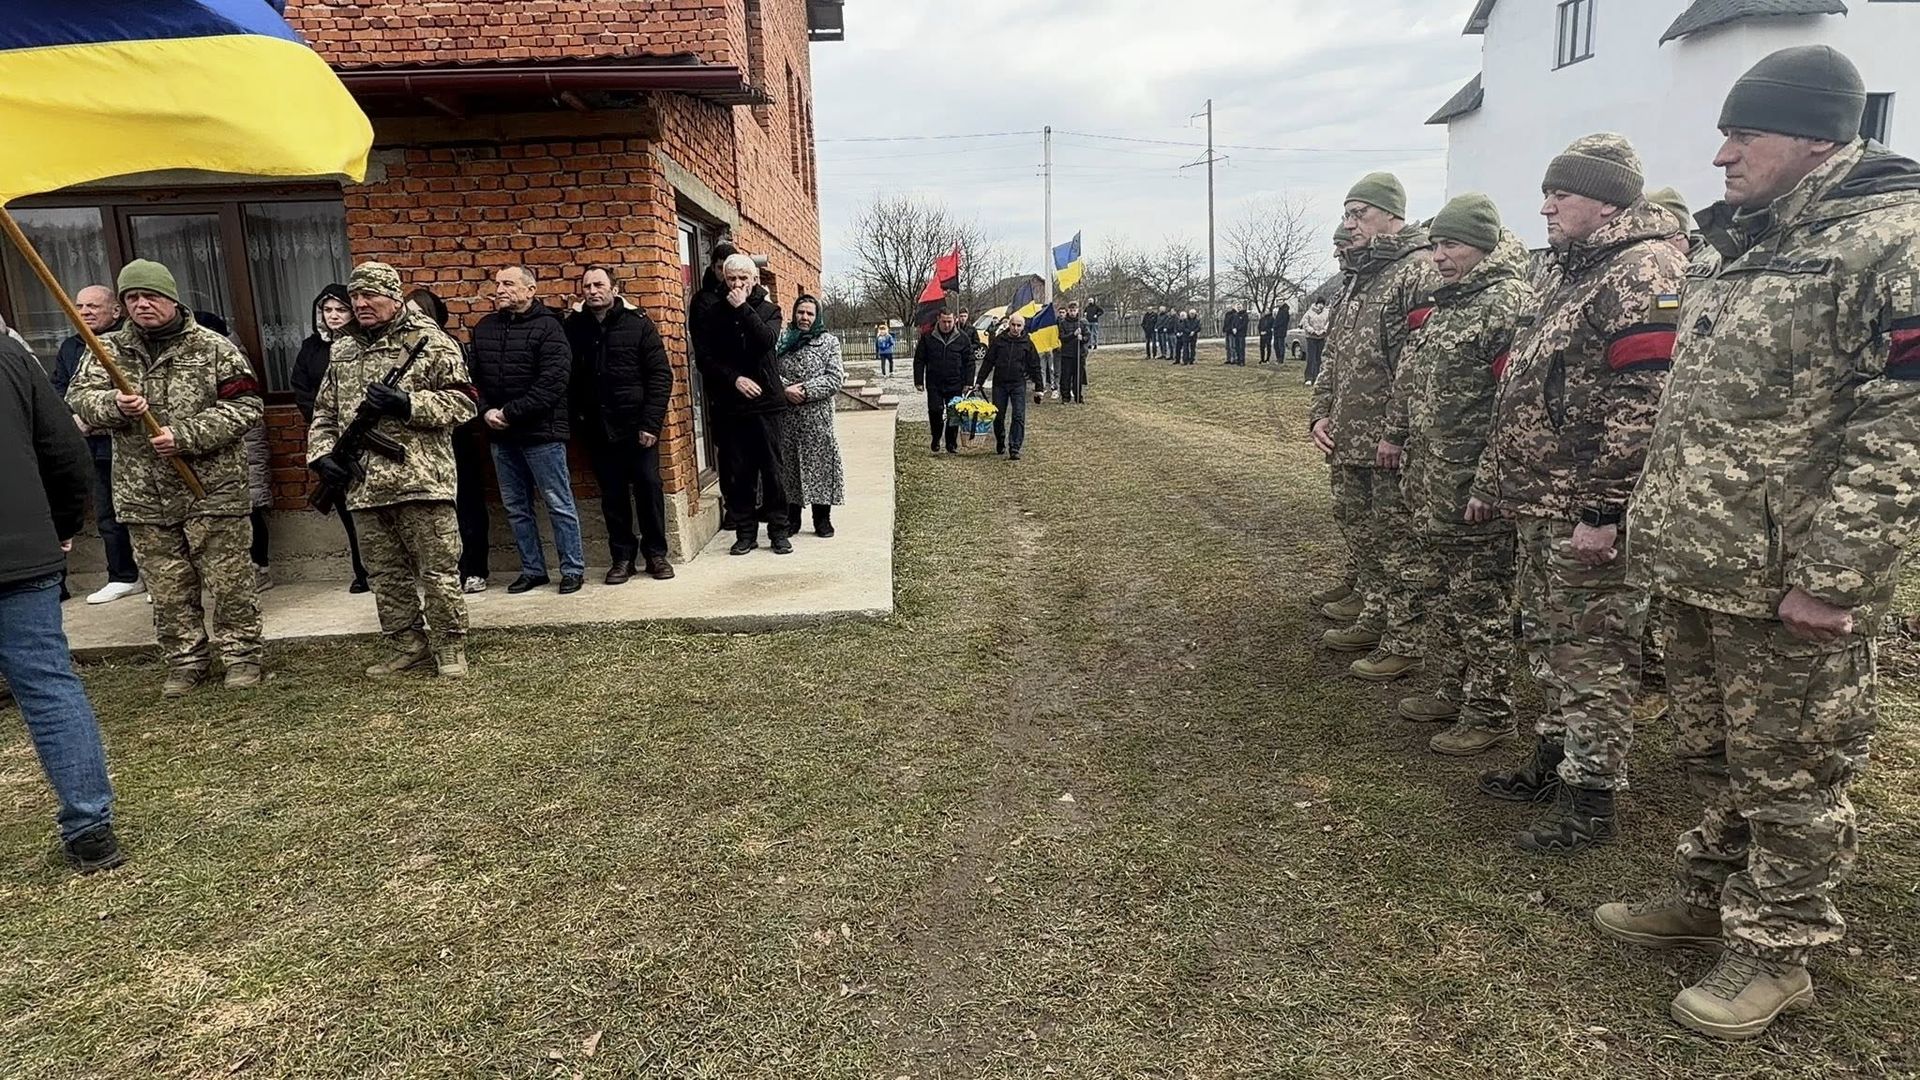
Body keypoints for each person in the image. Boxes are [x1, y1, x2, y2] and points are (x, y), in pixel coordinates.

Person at [1596, 46, 1920, 1040]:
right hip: (1702, 559)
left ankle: (1778, 952)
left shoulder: (1891, 237)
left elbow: (1901, 419)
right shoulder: (1743, 240)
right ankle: (1712, 895)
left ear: (1816, 135)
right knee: (1720, 755)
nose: (1723, 153)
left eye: (1745, 133)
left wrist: (1835, 575)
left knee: (1793, 772)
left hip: (1790, 576)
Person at [1470, 134, 1685, 854]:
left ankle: (1590, 802)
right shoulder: (1568, 270)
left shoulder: (1642, 269)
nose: (1546, 206)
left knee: (1593, 658)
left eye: (1559, 194)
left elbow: (1642, 402)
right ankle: (1553, 764)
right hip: (1543, 502)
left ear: (1605, 197)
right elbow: (1529, 390)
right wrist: (1501, 484)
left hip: (1586, 510)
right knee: (1552, 644)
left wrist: (1605, 510)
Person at [67, 260, 265, 697]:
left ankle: (241, 656)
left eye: (150, 296)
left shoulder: (213, 349)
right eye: (132, 298)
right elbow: (79, 399)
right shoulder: (107, 350)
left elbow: (247, 406)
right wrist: (115, 406)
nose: (142, 305)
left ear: (171, 299)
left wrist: (187, 435)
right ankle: (186, 660)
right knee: (167, 584)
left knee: (229, 579)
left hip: (212, 488)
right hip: (144, 492)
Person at [1396, 194, 1535, 757]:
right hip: (1438, 480)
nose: (1437, 256)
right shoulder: (1452, 303)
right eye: (1433, 245)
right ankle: (1456, 688)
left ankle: (1492, 711)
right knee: (1454, 594)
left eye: (1449, 244)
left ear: (1482, 245)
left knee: (1482, 602)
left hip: (1476, 488)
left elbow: (1515, 409)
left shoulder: (1508, 306)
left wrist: (1490, 482)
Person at [309, 262, 478, 679]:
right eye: (356, 298)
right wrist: (322, 454)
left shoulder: (431, 342)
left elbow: (465, 403)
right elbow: (324, 412)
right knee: (385, 575)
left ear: (394, 296)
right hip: (363, 484)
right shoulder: (342, 348)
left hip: (421, 479)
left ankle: (450, 646)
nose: (361, 304)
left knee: (438, 571)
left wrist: (409, 404)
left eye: (371, 296)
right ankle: (407, 645)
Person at [0, 334, 125, 873]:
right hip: (23, 546)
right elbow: (65, 450)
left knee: (48, 685)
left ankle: (90, 825)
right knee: (50, 687)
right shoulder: (9, 356)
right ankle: (90, 826)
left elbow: (62, 449)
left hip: (20, 551)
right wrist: (61, 523)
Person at [1309, 172, 1440, 683]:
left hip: (1386, 444)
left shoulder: (1414, 273)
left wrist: (1397, 433)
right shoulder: (1361, 278)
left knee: (1396, 540)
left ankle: (1403, 637)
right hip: (1349, 435)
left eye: (1359, 213)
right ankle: (1372, 607)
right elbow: (1334, 359)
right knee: (1358, 526)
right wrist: (1320, 413)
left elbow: (1417, 365)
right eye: (1346, 214)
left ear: (1392, 216)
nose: (1350, 224)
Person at [470, 265, 584, 594]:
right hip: (500, 435)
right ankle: (533, 570)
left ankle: (572, 567)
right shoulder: (485, 328)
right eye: (497, 284)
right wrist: (486, 410)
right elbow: (473, 379)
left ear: (530, 290)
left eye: (508, 284)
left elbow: (553, 382)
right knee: (516, 507)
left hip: (542, 434)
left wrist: (510, 412)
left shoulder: (549, 327)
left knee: (558, 503)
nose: (500, 289)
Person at [565, 265, 675, 584]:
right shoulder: (574, 327)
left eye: (599, 284)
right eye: (586, 286)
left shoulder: (638, 324)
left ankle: (656, 555)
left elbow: (660, 376)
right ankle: (622, 558)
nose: (592, 290)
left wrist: (650, 424)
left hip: (637, 428)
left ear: (614, 289)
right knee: (612, 496)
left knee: (648, 489)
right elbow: (567, 376)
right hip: (598, 428)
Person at [690, 245, 792, 555]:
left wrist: (744, 308)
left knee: (772, 469)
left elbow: (766, 341)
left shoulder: (769, 309)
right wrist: (735, 378)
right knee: (739, 470)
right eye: (731, 278)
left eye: (743, 278)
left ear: (754, 278)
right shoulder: (713, 310)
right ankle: (745, 532)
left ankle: (778, 531)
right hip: (733, 403)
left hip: (767, 402)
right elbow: (706, 358)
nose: (736, 285)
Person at [52, 285, 142, 605]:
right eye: (79, 307)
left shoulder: (129, 343)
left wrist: (95, 418)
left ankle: (159, 577)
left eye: (93, 306)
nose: (85, 312)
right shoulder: (71, 348)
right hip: (95, 449)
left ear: (116, 311)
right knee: (108, 516)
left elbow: (136, 394)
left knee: (148, 515)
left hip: (134, 446)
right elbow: (61, 392)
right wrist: (77, 420)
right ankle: (123, 576)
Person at [406, 289, 490, 594]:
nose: (412, 318)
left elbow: (465, 395)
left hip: (456, 437)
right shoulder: (403, 349)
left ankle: (475, 568)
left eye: (418, 312)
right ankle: (446, 570)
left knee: (467, 502)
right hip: (421, 442)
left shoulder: (449, 346)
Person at [290, 283, 370, 593]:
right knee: (345, 509)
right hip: (330, 441)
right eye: (327, 310)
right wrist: (325, 423)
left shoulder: (361, 343)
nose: (333, 316)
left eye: (340, 309)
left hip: (363, 436)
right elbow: (303, 391)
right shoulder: (312, 348)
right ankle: (361, 572)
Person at [774, 296, 847, 538]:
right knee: (791, 469)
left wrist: (804, 391)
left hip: (817, 419)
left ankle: (822, 519)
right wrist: (785, 390)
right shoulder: (782, 341)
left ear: (817, 317)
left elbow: (834, 378)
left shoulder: (829, 342)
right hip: (788, 419)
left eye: (810, 313)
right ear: (794, 314)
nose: (804, 317)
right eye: (800, 312)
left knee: (821, 469)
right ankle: (792, 518)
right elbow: (770, 371)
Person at [975, 312, 1044, 460]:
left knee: (1018, 415)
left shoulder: (1027, 343)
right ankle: (1000, 440)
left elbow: (1035, 366)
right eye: (1013, 325)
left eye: (1019, 326)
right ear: (1009, 325)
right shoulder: (1000, 341)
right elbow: (988, 362)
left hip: (1018, 383)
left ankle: (1015, 447)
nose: (1015, 328)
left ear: (1023, 327)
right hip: (1000, 383)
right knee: (999, 416)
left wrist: (1039, 388)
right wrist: (979, 381)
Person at [914, 309, 974, 455]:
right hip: (934, 382)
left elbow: (970, 361)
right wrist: (918, 380)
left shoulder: (963, 338)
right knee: (936, 411)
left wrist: (968, 382)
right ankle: (936, 438)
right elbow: (919, 360)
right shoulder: (928, 337)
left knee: (954, 414)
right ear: (938, 320)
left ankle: (951, 443)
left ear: (954, 321)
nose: (947, 325)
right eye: (944, 321)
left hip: (955, 382)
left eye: (950, 321)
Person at [1057, 300, 1089, 404]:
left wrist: (1082, 338)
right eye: (1071, 310)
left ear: (1077, 310)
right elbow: (1062, 337)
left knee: (1078, 377)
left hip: (1079, 354)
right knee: (1065, 377)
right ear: (1068, 311)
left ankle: (1078, 396)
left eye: (1074, 310)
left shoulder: (1082, 322)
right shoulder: (1063, 323)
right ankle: (1065, 397)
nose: (1072, 312)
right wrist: (1073, 335)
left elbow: (1087, 336)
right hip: (1067, 354)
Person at [1300, 297, 1332, 387]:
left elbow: (1329, 322)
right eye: (1320, 303)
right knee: (1311, 358)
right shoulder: (1309, 312)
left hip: (1321, 337)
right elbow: (1305, 323)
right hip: (1311, 337)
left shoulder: (1326, 312)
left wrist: (1323, 330)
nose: (1321, 306)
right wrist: (1312, 331)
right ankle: (1309, 378)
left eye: (1323, 304)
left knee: (1319, 358)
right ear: (1317, 303)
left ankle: (1317, 377)